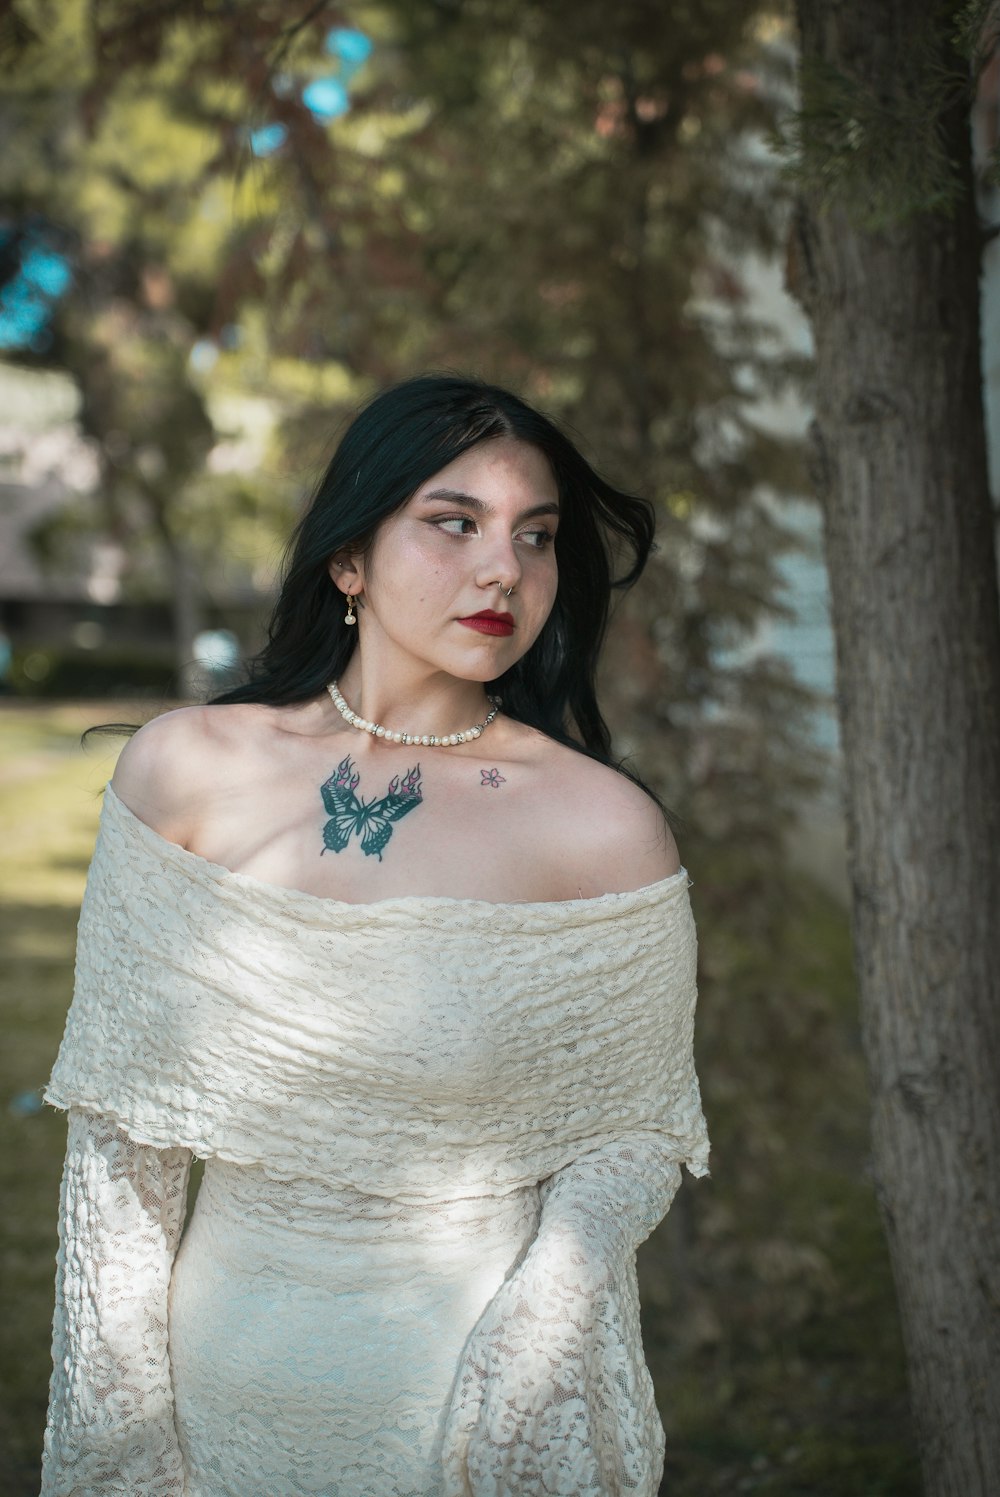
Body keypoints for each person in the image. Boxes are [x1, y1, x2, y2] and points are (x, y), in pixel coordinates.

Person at [41, 373, 709, 1497]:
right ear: (349, 558)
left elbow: (632, 1134)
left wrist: (529, 1354)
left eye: (535, 538)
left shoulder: (601, 829)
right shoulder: (185, 773)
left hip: (483, 1420)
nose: (504, 570)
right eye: (455, 524)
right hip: (218, 1405)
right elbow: (120, 1152)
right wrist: (122, 1446)